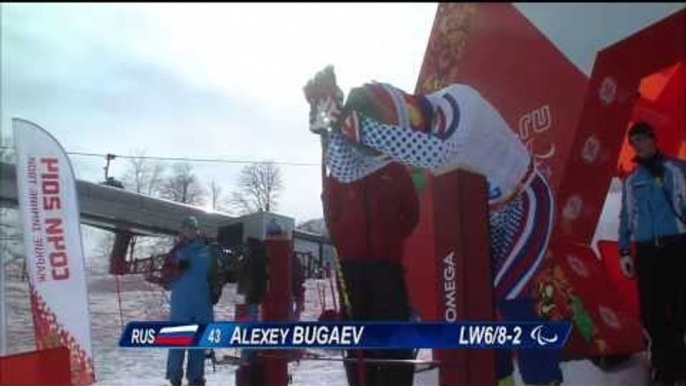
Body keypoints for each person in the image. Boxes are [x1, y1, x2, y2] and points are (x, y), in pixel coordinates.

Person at [305, 66, 561, 385]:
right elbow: (345, 172)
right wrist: (330, 123)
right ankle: (500, 378)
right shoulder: (404, 134)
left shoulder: (460, 99)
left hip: (526, 197)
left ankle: (545, 380)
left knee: (509, 292)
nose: (389, 150)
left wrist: (355, 126)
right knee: (477, 298)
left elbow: (438, 154)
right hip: (489, 213)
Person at [618, 121, 686, 386]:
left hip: (677, 247)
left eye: (644, 139)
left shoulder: (676, 168)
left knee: (681, 309)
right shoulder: (631, 180)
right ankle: (664, 368)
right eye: (635, 141)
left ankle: (680, 363)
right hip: (647, 253)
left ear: (653, 139)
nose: (640, 145)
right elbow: (626, 217)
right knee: (652, 313)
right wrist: (624, 250)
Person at [166, 216, 214, 386]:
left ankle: (196, 378)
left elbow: (217, 276)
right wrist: (176, 269)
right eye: (186, 228)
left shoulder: (208, 250)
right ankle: (174, 377)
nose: (189, 231)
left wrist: (216, 291)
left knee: (198, 345)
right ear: (182, 230)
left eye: (192, 228)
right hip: (181, 304)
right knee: (177, 341)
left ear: (197, 230)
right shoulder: (175, 252)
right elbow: (166, 279)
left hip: (202, 304)